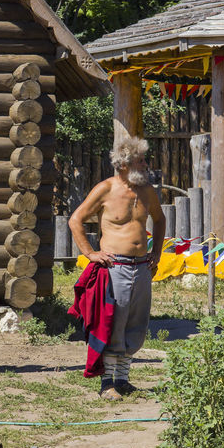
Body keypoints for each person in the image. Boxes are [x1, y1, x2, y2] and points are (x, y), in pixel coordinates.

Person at [68, 136, 165, 400]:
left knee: (136, 323)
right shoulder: (105, 189)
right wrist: (90, 253)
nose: (146, 165)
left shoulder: (147, 191)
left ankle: (122, 380)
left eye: (144, 160)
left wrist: (156, 252)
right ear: (124, 164)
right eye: (140, 161)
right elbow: (75, 220)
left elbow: (159, 219)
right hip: (115, 268)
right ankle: (106, 383)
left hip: (142, 267)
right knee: (113, 322)